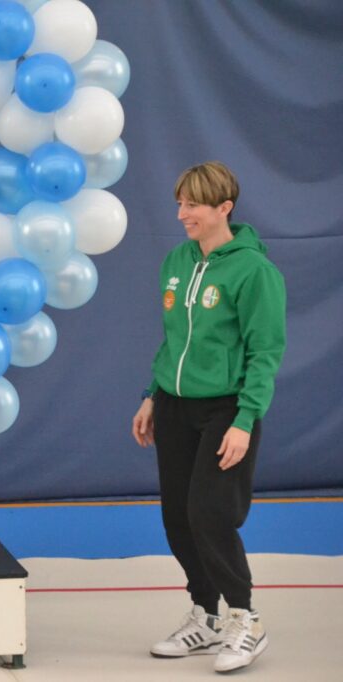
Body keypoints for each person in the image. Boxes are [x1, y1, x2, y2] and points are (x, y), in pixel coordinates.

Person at [132, 161, 286, 674]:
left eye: (192, 205)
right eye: (179, 203)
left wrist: (245, 420)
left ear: (224, 208)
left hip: (227, 408)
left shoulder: (255, 272)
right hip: (176, 405)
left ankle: (246, 618)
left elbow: (266, 352)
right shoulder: (177, 260)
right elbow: (172, 339)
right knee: (176, 515)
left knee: (209, 514)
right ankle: (206, 615)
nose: (181, 214)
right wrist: (152, 395)